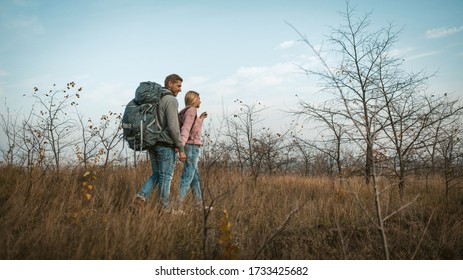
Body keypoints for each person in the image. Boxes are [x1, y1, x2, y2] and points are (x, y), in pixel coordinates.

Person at [134, 74, 186, 211]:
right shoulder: (171, 100)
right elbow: (173, 127)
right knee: (166, 176)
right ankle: (164, 209)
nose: (180, 89)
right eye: (178, 85)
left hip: (151, 143)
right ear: (170, 84)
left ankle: (140, 197)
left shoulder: (155, 99)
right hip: (165, 144)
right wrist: (180, 148)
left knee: (157, 174)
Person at [177, 90, 208, 208]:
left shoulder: (187, 112)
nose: (200, 101)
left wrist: (200, 119)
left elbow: (191, 128)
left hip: (190, 146)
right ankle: (177, 206)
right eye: (199, 98)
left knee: (195, 178)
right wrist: (180, 147)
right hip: (191, 147)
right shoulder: (191, 111)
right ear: (194, 99)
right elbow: (185, 129)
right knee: (187, 177)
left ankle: (199, 204)